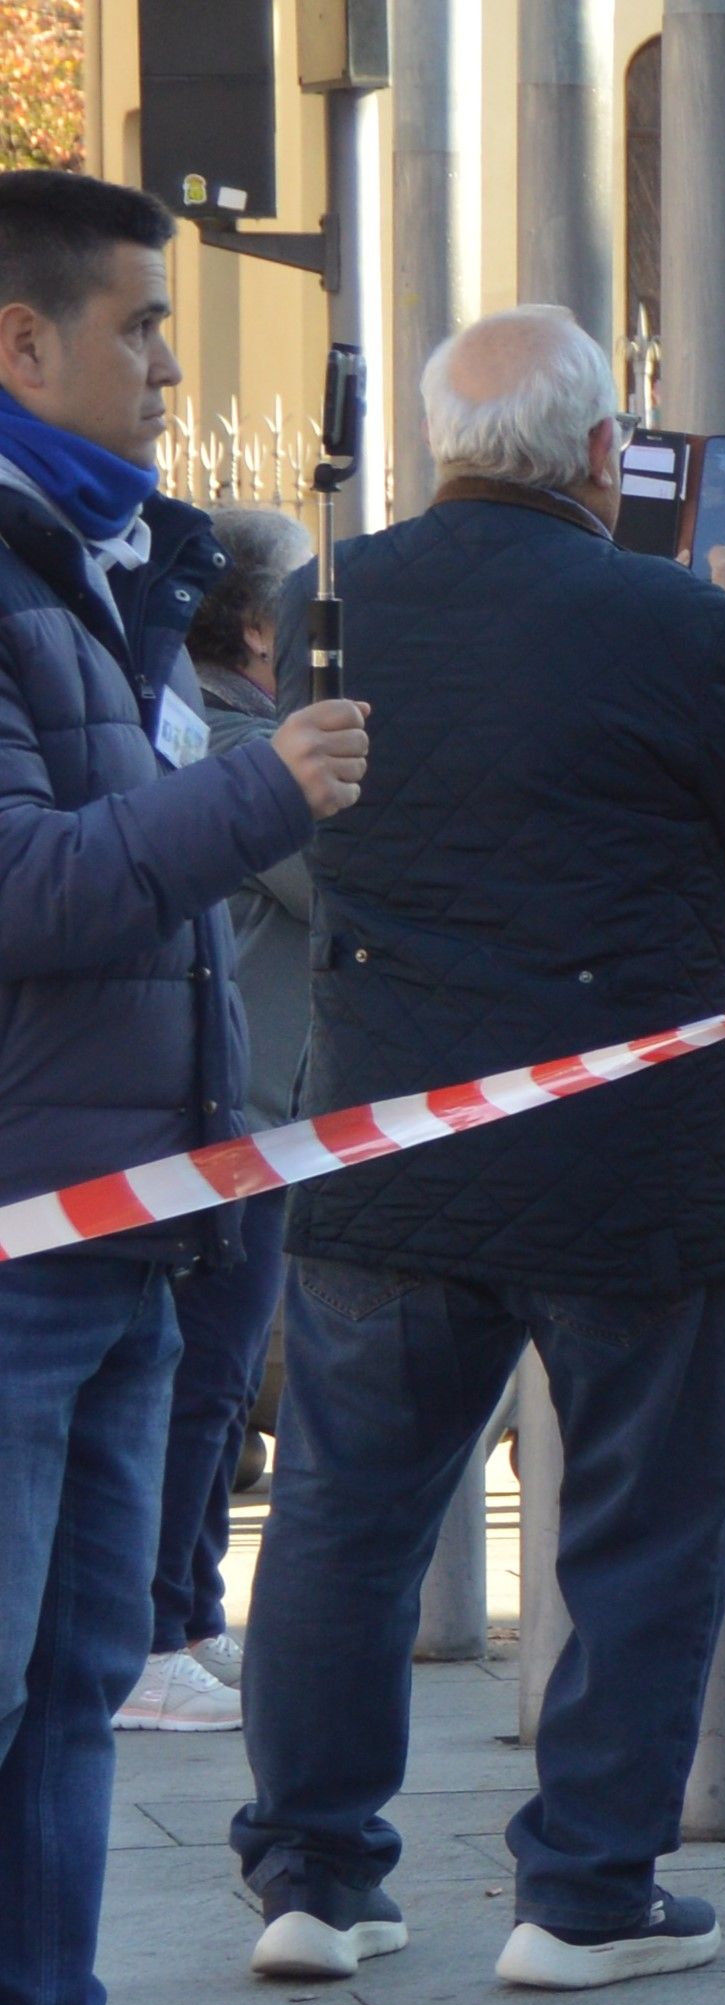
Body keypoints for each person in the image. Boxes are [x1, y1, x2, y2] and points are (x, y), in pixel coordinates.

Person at [231, 305, 725, 1996]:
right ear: (603, 456)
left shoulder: (329, 598)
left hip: (385, 1137)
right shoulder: (668, 615)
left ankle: (313, 1872)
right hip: (620, 1158)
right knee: (641, 1526)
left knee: (345, 1519)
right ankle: (583, 1891)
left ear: (445, 443)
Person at [0, 168, 368, 2005]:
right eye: (140, 324)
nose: (168, 358)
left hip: (129, 1216)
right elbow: (23, 887)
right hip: (24, 1229)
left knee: (73, 1675)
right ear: (22, 343)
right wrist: (261, 787)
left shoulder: (100, 562)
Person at [116, 508, 320, 1738]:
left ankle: (187, 1609)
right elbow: (327, 873)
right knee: (201, 1377)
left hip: (256, 1110)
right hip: (229, 1113)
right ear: (256, 621)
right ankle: (147, 1632)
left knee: (218, 1370)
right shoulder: (236, 738)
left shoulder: (226, 722)